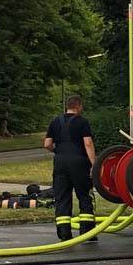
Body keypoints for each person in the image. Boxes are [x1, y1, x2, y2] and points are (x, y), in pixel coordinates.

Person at [43, 96, 97, 241]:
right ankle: (87, 232)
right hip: (79, 162)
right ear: (78, 106)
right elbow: (88, 143)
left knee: (62, 197)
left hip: (60, 162)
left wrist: (58, 151)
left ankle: (64, 233)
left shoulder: (55, 121)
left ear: (67, 106)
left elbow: (47, 144)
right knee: (84, 195)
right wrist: (94, 163)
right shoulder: (82, 122)